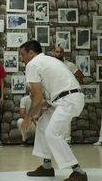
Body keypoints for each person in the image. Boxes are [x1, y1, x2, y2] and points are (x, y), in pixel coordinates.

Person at [20, 40, 87, 181]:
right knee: (43, 124)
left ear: (31, 53)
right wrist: (41, 107)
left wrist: (27, 118)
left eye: (22, 54)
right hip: (65, 99)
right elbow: (43, 95)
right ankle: (46, 167)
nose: (22, 58)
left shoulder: (32, 64)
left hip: (68, 100)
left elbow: (36, 97)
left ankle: (78, 171)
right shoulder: (47, 60)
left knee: (52, 133)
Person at [54, 45, 84, 144]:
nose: (59, 54)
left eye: (61, 52)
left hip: (67, 94)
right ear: (54, 52)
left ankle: (67, 139)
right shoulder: (52, 64)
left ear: (64, 53)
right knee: (56, 116)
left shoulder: (69, 65)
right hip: (55, 93)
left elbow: (80, 75)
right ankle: (57, 139)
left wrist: (75, 85)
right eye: (57, 52)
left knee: (66, 117)